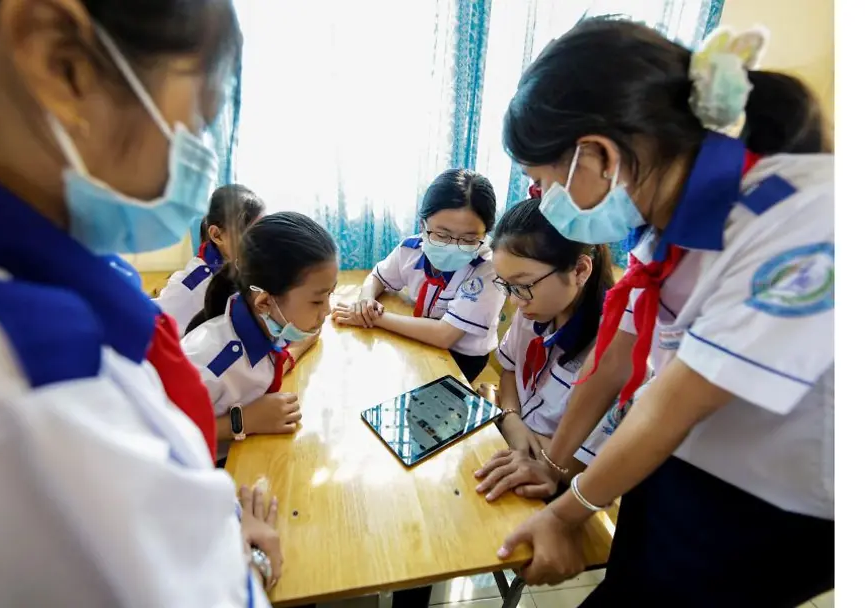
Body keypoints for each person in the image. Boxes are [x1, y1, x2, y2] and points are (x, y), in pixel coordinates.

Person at [0, 0, 281, 605]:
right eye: (198, 118)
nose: (196, 154)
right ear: (59, 60)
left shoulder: (45, 276)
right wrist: (245, 557)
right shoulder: (28, 392)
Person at [492, 19, 834, 607]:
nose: (543, 204)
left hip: (773, 504)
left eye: (540, 184)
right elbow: (614, 365)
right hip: (676, 460)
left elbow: (676, 402)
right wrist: (553, 466)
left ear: (595, 156)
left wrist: (568, 514)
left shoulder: (807, 220)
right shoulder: (664, 226)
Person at [472, 199, 627, 503]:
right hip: (512, 440)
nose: (515, 301)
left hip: (558, 485)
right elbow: (510, 368)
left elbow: (587, 468)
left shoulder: (612, 353)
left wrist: (529, 443)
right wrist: (511, 417)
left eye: (523, 285)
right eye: (507, 286)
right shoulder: (535, 311)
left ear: (580, 270)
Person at [181, 211, 338, 462]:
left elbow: (267, 363)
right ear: (265, 302)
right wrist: (243, 421)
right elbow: (165, 435)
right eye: (318, 300)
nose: (327, 310)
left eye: (332, 293)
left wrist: (297, 347)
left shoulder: (265, 321)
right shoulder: (210, 363)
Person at [332, 168, 505, 382]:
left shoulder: (489, 269)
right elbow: (377, 276)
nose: (454, 246)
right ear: (422, 224)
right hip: (420, 333)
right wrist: (366, 301)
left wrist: (376, 318)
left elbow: (445, 335)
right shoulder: (412, 249)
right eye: (442, 235)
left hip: (461, 357)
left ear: (485, 234)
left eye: (469, 240)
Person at [156, 184, 265, 335]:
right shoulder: (192, 287)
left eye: (261, 232)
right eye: (249, 236)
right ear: (217, 235)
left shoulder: (240, 264)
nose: (259, 243)